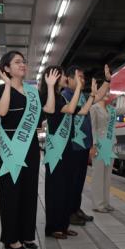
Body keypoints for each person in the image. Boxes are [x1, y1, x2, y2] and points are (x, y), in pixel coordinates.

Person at [0, 51, 59, 249]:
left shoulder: (32, 92)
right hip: (10, 145)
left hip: (29, 146)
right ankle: (11, 238)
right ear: (6, 68)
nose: (23, 64)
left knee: (29, 191)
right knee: (11, 191)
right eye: (17, 62)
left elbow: (48, 110)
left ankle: (26, 235)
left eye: (24, 61)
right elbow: (2, 112)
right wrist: (6, 84)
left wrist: (49, 86)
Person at [39, 65, 96, 239]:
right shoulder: (51, 97)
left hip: (67, 151)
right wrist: (52, 86)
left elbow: (82, 111)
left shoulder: (61, 98)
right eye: (62, 74)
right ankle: (53, 227)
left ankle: (63, 226)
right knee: (55, 190)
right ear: (53, 77)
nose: (65, 77)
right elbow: (57, 110)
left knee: (66, 189)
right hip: (56, 150)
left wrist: (92, 95)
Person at [61, 65, 111, 225]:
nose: (82, 80)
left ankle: (76, 209)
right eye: (78, 77)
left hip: (82, 145)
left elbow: (97, 97)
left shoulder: (82, 95)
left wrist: (107, 80)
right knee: (72, 181)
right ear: (68, 79)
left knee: (79, 180)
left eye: (83, 77)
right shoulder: (65, 95)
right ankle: (69, 212)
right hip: (72, 145)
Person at [90, 85, 125, 212]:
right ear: (98, 93)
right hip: (100, 146)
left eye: (108, 91)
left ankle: (106, 203)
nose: (107, 93)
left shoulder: (111, 109)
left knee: (107, 176)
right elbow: (92, 128)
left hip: (110, 145)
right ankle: (98, 205)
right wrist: (93, 146)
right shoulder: (93, 108)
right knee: (98, 176)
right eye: (104, 91)